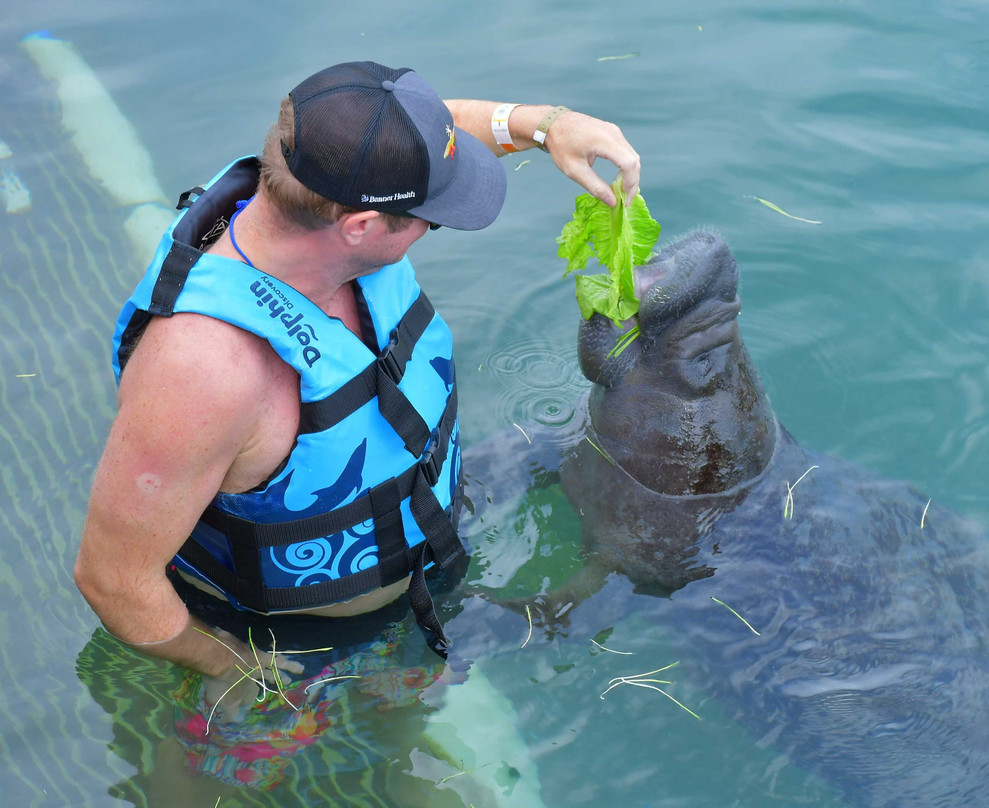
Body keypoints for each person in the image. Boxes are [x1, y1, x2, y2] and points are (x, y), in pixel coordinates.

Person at [73, 61, 641, 697]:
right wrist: (229, 663)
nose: (430, 228)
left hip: (415, 554)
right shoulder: (203, 372)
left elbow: (427, 137)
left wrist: (546, 125)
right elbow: (113, 580)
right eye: (431, 217)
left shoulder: (310, 170)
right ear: (361, 227)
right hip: (291, 640)